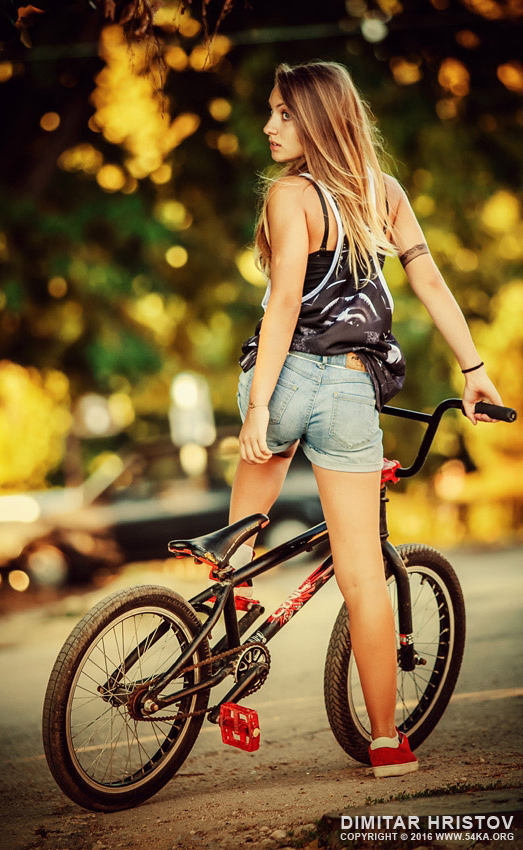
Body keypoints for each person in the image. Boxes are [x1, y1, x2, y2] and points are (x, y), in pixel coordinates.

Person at [227, 61, 503, 778]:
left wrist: (258, 406)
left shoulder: (291, 197)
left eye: (281, 113)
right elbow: (429, 279)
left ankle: (227, 637)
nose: (268, 126)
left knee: (236, 543)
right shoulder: (384, 195)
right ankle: (386, 741)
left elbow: (283, 302)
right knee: (360, 578)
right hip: (351, 391)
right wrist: (473, 371)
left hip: (284, 379)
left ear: (316, 117)